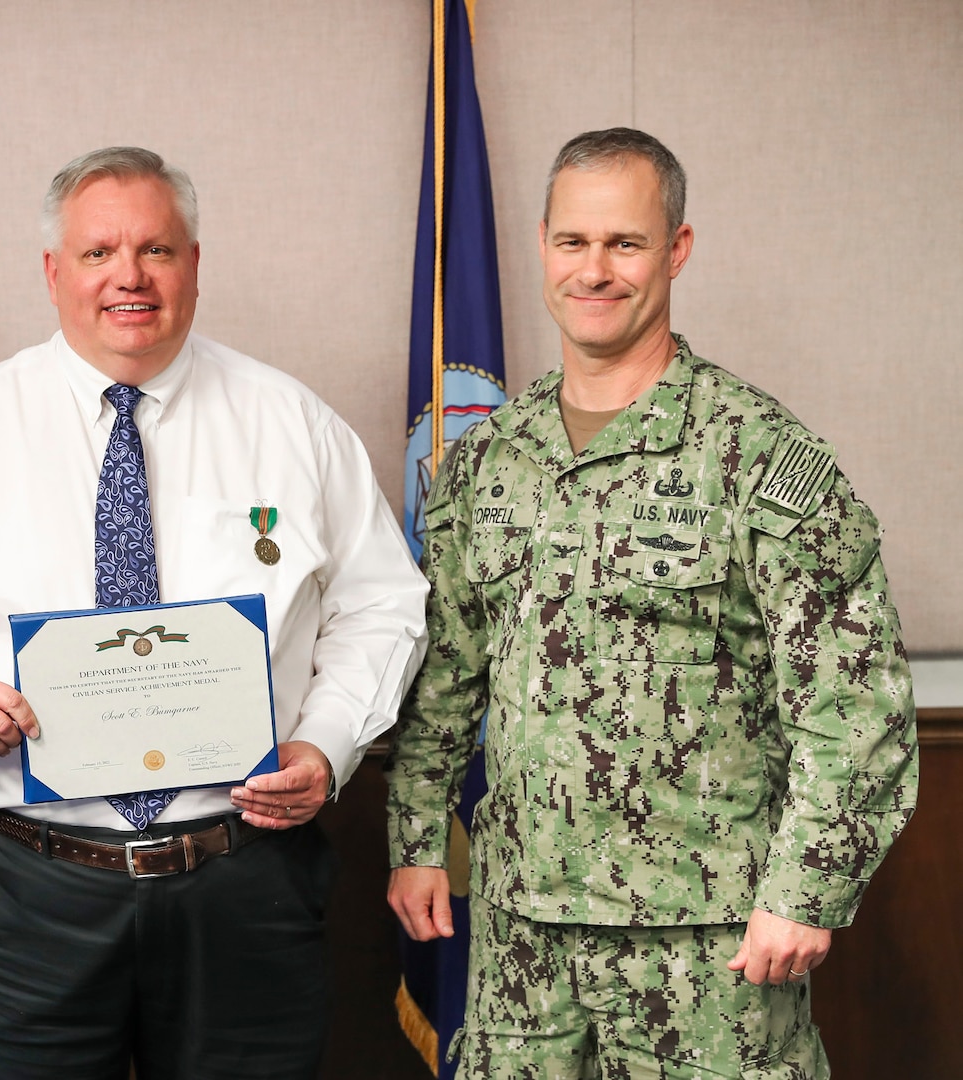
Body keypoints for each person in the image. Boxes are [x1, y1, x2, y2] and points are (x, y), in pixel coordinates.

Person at [0, 146, 430, 1079]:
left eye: (156, 250)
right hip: (21, 890)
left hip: (245, 882)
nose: (129, 277)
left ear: (194, 263)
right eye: (100, 252)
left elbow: (382, 604)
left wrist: (330, 741)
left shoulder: (291, 423)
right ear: (54, 272)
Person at [385, 127, 919, 1078]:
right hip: (522, 946)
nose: (595, 270)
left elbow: (856, 700)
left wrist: (805, 890)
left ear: (675, 250)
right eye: (574, 242)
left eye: (625, 244)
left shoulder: (755, 453)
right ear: (543, 243)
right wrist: (419, 838)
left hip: (705, 944)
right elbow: (447, 673)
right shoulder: (485, 462)